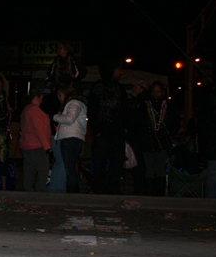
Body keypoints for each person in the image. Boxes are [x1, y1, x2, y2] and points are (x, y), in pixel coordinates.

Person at [88, 58, 128, 194]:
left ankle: (113, 191)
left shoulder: (120, 88)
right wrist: (97, 131)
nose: (120, 73)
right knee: (99, 166)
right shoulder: (97, 87)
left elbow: (124, 111)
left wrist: (124, 129)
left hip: (117, 135)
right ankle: (99, 192)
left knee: (116, 166)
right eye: (118, 70)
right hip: (102, 135)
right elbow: (92, 111)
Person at [140, 81, 179, 196]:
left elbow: (175, 124)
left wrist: (169, 136)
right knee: (149, 170)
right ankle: (149, 194)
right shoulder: (145, 106)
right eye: (153, 91)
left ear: (162, 92)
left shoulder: (169, 108)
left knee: (160, 169)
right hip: (148, 144)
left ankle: (160, 195)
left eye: (158, 91)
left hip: (163, 144)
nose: (155, 94)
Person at [53, 83, 87, 193]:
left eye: (60, 95)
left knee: (69, 168)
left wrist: (56, 117)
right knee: (70, 167)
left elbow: (69, 119)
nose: (60, 98)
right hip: (72, 137)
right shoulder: (75, 104)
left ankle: (72, 192)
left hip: (70, 138)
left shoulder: (74, 103)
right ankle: (72, 191)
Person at [20, 91, 51, 192]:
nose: (42, 101)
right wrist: (47, 147)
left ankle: (28, 192)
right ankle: (40, 194)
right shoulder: (35, 110)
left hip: (26, 144)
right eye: (40, 98)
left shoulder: (26, 109)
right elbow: (39, 129)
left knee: (29, 170)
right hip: (37, 145)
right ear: (36, 98)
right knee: (43, 172)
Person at [126, 80, 150, 195]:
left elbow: (138, 121)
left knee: (139, 164)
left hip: (138, 138)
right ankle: (139, 186)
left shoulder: (142, 103)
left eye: (136, 86)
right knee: (136, 163)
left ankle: (141, 187)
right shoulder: (135, 102)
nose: (133, 88)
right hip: (135, 137)